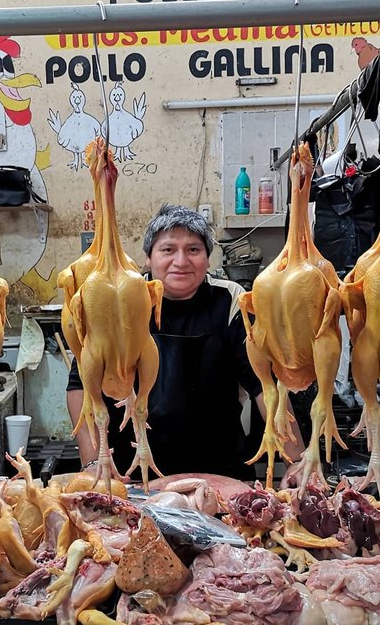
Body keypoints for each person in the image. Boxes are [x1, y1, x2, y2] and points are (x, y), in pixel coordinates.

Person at [66, 204, 304, 480]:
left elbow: (264, 386)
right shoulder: (116, 298)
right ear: (148, 258)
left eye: (193, 250)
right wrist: (92, 463)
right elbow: (81, 386)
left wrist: (296, 460)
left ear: (207, 259)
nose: (181, 261)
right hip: (130, 474)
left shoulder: (230, 301)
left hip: (219, 472)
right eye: (168, 250)